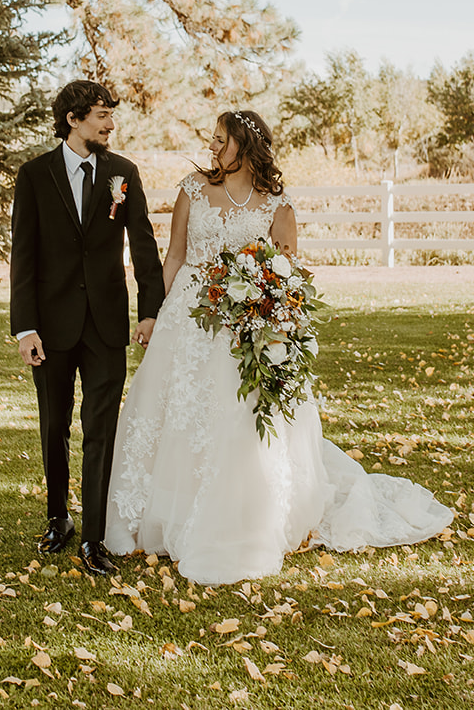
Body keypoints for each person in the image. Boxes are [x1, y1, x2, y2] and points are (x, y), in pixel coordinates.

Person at [105, 110, 453, 584]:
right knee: (176, 413)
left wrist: (276, 323)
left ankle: (236, 517)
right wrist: (154, 315)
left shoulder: (277, 203)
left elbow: (288, 275)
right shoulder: (192, 189)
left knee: (237, 420)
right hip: (187, 320)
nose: (212, 147)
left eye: (221, 140)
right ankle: (163, 515)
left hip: (245, 327)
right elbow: (177, 256)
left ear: (245, 146)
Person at [10, 80, 164, 576]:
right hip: (50, 328)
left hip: (104, 326)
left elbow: (142, 243)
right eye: (101, 114)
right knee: (54, 426)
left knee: (102, 430)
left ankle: (94, 539)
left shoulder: (123, 173)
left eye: (111, 115)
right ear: (73, 119)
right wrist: (25, 328)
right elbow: (24, 257)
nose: (110, 124)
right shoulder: (34, 176)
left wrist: (149, 310)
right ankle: (59, 519)